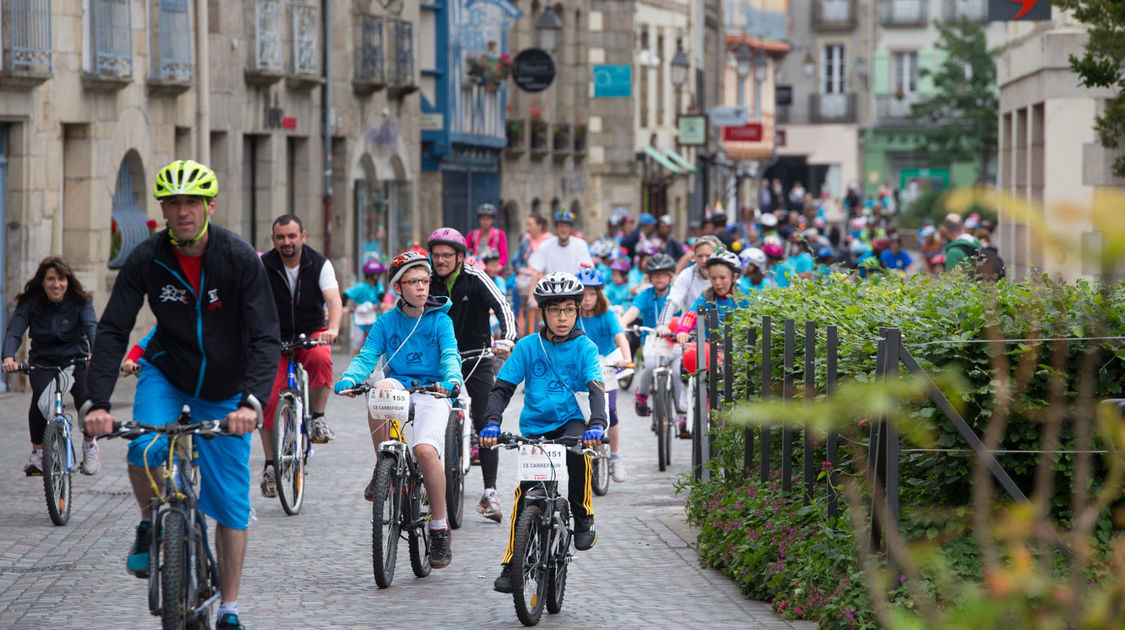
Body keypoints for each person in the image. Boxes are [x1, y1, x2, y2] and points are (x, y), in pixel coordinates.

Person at [84, 159, 280, 630]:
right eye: (173, 203)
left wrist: (251, 403)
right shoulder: (147, 258)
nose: (183, 211)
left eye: (192, 201)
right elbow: (113, 330)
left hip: (228, 389)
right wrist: (95, 402)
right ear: (164, 210)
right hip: (167, 372)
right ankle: (152, 523)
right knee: (143, 446)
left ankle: (229, 607)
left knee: (231, 503)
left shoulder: (237, 258)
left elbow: (265, 336)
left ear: (209, 205)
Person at [479, 273, 607, 593]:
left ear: (578, 311)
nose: (562, 317)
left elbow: (596, 389)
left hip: (571, 421)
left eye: (568, 309)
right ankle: (512, 563)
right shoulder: (527, 347)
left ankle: (582, 515)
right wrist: (492, 423)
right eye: (554, 310)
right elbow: (502, 389)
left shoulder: (585, 347)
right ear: (542, 313)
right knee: (526, 495)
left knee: (579, 453)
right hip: (535, 427)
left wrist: (597, 423)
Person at [334, 251, 462, 569]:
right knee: (379, 389)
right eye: (413, 282)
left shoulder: (440, 320)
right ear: (397, 288)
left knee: (424, 450)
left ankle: (439, 528)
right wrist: (350, 378)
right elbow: (368, 356)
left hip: (434, 391)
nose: (421, 287)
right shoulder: (385, 322)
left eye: (425, 280)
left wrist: (451, 379)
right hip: (400, 389)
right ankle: (385, 468)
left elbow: (450, 355)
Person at [426, 228, 516, 522]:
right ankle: (429, 484)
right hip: (439, 361)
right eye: (436, 254)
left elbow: (503, 306)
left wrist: (508, 338)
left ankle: (489, 492)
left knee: (486, 420)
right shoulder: (425, 279)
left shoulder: (476, 278)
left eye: (446, 255)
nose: (440, 260)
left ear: (460, 257)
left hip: (477, 358)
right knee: (430, 417)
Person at [257, 215, 342, 497]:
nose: (287, 242)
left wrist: (333, 329)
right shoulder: (263, 264)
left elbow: (333, 299)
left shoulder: (319, 264)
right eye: (281, 237)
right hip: (274, 335)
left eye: (292, 236)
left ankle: (317, 417)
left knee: (320, 358)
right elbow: (249, 301)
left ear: (303, 236)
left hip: (311, 331)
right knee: (268, 397)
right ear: (274, 240)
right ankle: (271, 465)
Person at [2, 256, 100, 476]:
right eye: (51, 279)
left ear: (68, 280)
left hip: (75, 359)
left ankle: (89, 446)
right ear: (43, 281)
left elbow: (92, 326)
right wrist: (8, 357)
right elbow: (15, 331)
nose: (56, 284)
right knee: (39, 400)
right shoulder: (31, 302)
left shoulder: (81, 301)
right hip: (43, 360)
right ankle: (38, 452)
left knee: (86, 402)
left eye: (61, 279)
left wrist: (96, 351)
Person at [575, 267, 632, 483]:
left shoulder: (607, 314)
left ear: (599, 294)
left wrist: (626, 359)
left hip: (607, 366)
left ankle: (615, 456)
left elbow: (620, 338)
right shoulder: (572, 314)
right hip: (581, 369)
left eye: (592, 294)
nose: (587, 299)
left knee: (611, 411)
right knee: (580, 413)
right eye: (583, 294)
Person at [619, 253, 681, 418]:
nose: (658, 278)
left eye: (662, 274)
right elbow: (633, 311)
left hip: (675, 343)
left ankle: (682, 415)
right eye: (654, 275)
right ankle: (642, 395)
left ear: (670, 276)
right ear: (649, 278)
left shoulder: (677, 294)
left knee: (677, 373)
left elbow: (688, 313)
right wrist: (622, 324)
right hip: (652, 343)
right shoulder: (645, 295)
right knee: (649, 367)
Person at [527, 209, 593, 307]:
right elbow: (536, 272)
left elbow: (588, 270)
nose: (563, 229)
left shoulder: (580, 244)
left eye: (566, 226)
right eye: (561, 226)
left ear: (571, 228)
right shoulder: (545, 245)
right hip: (551, 294)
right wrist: (531, 297)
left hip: (574, 293)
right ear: (556, 228)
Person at [656, 235, 719, 337]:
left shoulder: (726, 276)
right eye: (700, 256)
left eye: (708, 256)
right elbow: (673, 300)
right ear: (694, 257)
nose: (704, 260)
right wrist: (663, 325)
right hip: (690, 333)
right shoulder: (687, 274)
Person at [344, 258, 389, 353]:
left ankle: (370, 366)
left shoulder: (377, 286)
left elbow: (381, 295)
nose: (379, 277)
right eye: (379, 275)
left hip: (372, 318)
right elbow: (346, 294)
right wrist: (343, 307)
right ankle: (355, 363)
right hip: (360, 319)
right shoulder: (360, 286)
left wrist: (382, 303)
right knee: (358, 341)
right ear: (374, 275)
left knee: (373, 342)